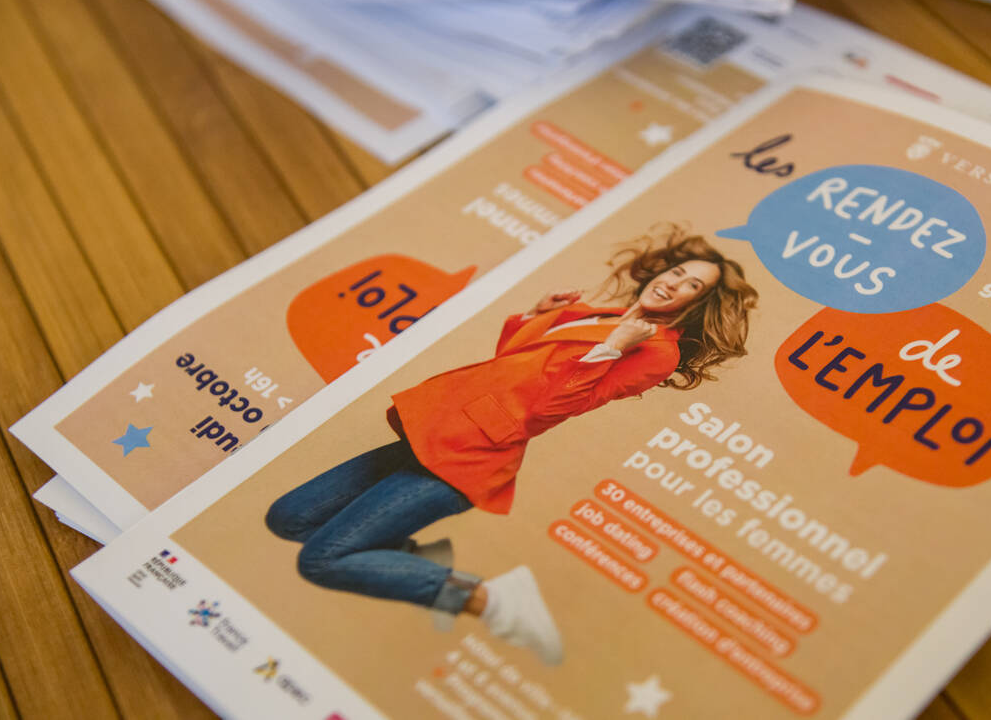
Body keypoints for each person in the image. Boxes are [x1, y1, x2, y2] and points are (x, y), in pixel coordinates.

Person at [266, 226, 758, 664]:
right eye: (678, 271)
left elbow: (548, 411)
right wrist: (536, 315)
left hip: (468, 459)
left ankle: (492, 599)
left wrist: (611, 349)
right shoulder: (604, 310)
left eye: (693, 285)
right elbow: (511, 367)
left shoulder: (656, 353)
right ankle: (418, 557)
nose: (674, 282)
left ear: (698, 304)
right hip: (438, 425)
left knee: (321, 559)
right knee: (290, 517)